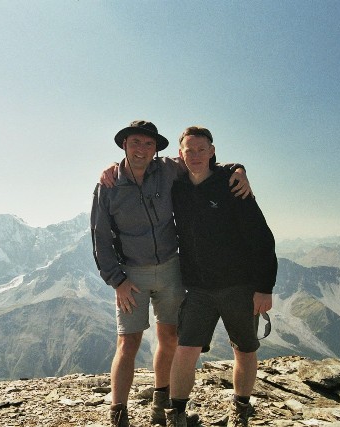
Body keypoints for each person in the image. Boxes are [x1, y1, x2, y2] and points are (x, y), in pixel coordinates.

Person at [91, 120, 252, 427]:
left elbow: (200, 159)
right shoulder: (107, 186)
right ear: (124, 145)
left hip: (170, 269)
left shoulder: (166, 169)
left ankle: (160, 406)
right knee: (128, 342)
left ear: (157, 149)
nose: (142, 149)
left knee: (170, 337)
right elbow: (100, 237)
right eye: (135, 142)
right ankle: (118, 414)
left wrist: (238, 168)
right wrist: (117, 281)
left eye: (148, 144)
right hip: (131, 276)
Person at [165, 126, 277, 427]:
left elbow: (262, 238)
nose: (196, 155)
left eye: (202, 149)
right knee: (185, 349)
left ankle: (240, 410)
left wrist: (264, 288)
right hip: (198, 289)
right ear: (181, 154)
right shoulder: (178, 189)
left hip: (239, 286)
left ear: (212, 151)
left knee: (244, 349)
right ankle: (176, 414)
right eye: (190, 150)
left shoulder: (231, 185)